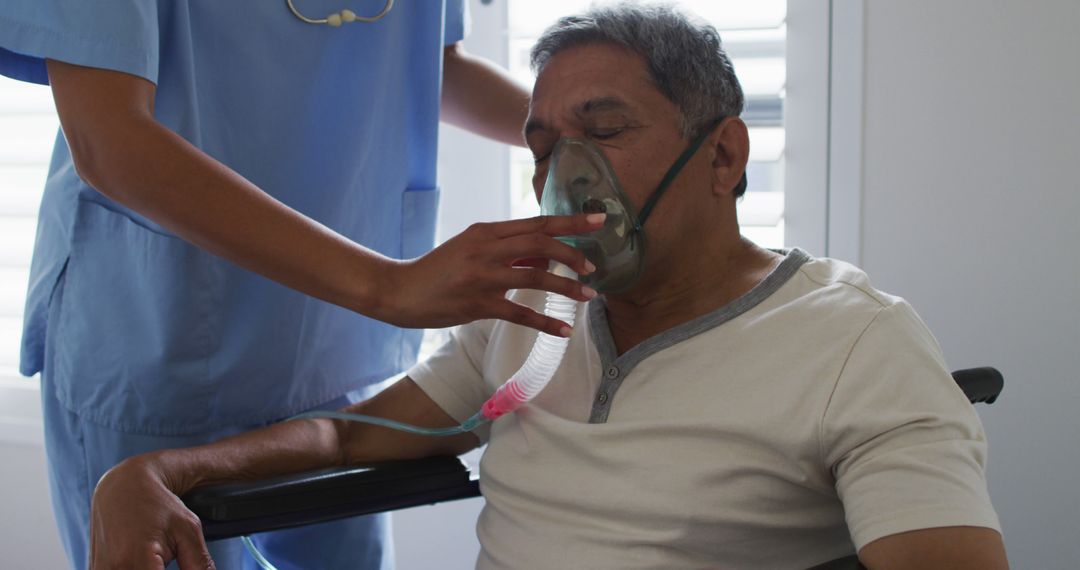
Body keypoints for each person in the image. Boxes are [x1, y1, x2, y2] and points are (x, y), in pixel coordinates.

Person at [88, 4, 1009, 569]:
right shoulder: (530, 318)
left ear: (722, 155)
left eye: (603, 131)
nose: (566, 173)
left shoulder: (854, 343)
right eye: (540, 146)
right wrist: (160, 470)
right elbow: (349, 432)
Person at [0, 2, 605, 569]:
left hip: (332, 351)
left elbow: (434, 67)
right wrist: (387, 286)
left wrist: (592, 138)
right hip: (159, 339)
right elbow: (109, 140)